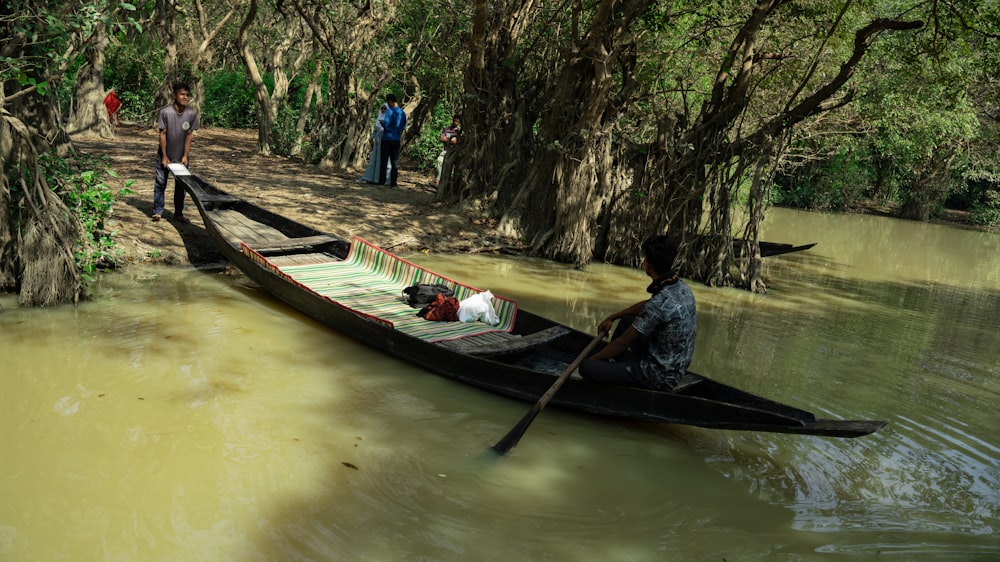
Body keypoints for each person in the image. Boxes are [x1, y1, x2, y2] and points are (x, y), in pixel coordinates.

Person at [579, 235, 697, 391]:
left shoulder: (658, 303)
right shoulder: (680, 287)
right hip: (674, 366)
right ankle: (614, 367)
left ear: (648, 265)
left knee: (586, 367)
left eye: (645, 259)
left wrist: (593, 361)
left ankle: (609, 369)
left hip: (659, 377)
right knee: (627, 320)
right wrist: (613, 317)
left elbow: (622, 343)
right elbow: (648, 305)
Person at [151, 82, 199, 223]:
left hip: (181, 157)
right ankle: (157, 211)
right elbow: (163, 134)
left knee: (181, 186)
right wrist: (164, 156)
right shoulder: (166, 112)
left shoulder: (191, 114)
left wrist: (185, 155)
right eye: (182, 94)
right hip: (165, 155)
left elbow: (189, 134)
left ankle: (178, 213)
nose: (185, 97)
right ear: (175, 95)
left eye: (187, 95)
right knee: (160, 183)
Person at [378, 93, 406, 188]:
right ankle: (393, 183)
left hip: (387, 138)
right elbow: (403, 127)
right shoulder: (402, 113)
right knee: (394, 161)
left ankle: (382, 181)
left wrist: (382, 124)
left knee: (384, 160)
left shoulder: (389, 112)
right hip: (396, 139)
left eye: (387, 102)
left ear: (390, 101)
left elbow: (385, 124)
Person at [359, 103, 390, 184]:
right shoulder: (378, 119)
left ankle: (385, 180)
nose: (383, 110)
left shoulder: (390, 120)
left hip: (386, 141)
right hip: (378, 142)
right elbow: (375, 131)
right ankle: (373, 178)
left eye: (385, 109)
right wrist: (371, 138)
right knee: (376, 158)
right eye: (382, 108)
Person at [434, 115, 461, 185]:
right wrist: (451, 139)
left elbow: (456, 142)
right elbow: (442, 138)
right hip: (446, 150)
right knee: (439, 160)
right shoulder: (447, 129)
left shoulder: (460, 131)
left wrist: (448, 139)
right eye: (454, 121)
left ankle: (449, 183)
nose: (455, 123)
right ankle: (437, 179)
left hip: (455, 152)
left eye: (457, 121)